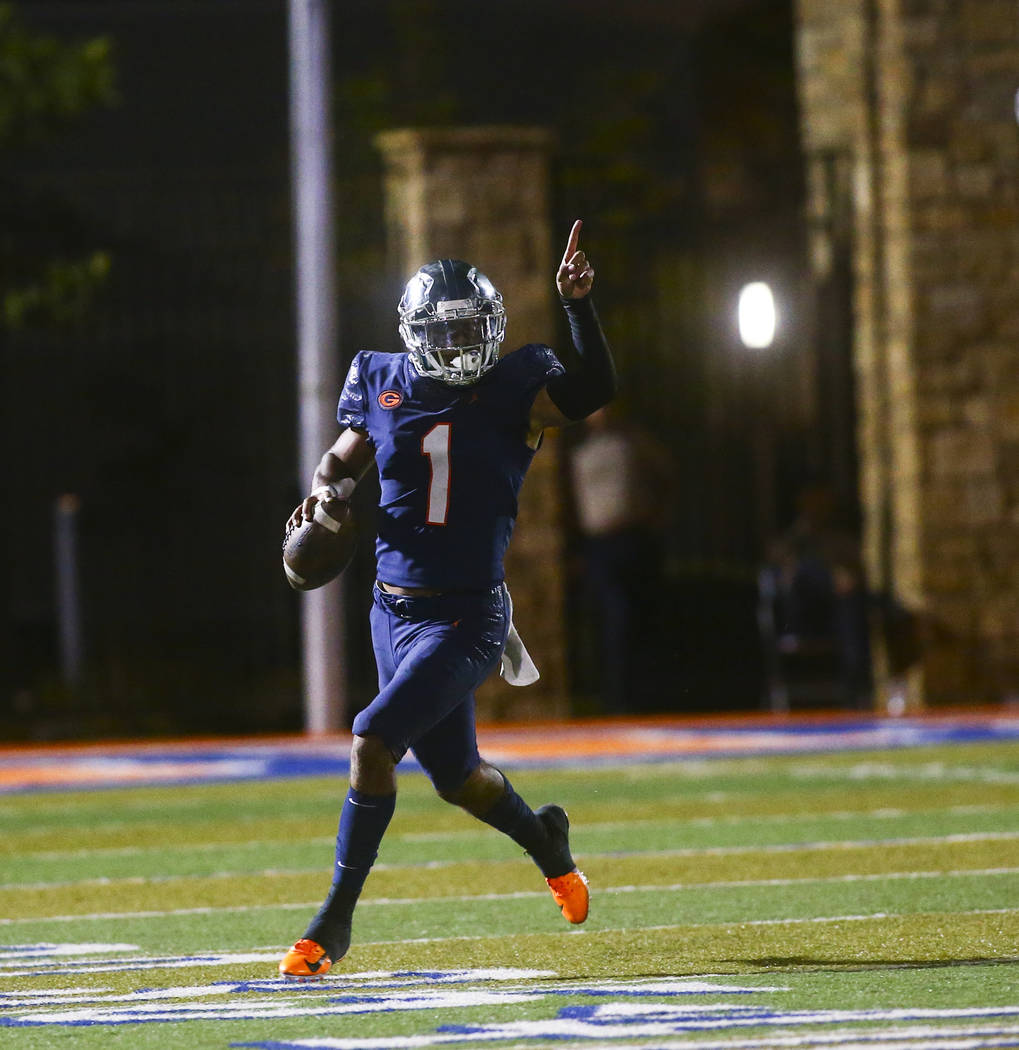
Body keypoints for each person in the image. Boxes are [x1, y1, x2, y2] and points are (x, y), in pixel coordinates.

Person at [278, 220, 617, 978]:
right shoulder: (380, 379)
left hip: (466, 614)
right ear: (415, 331)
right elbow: (339, 459)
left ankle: (331, 923)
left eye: (471, 327)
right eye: (447, 328)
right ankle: (548, 845)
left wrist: (577, 306)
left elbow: (593, 389)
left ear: (491, 329)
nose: (461, 341)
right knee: (458, 778)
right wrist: (323, 499)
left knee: (371, 740)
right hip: (389, 611)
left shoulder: (516, 389)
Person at [567, 403, 673, 713]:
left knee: (640, 617)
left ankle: (645, 697)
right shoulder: (582, 453)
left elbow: (665, 477)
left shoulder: (635, 445)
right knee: (611, 619)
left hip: (634, 538)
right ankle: (615, 699)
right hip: (600, 544)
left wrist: (658, 517)